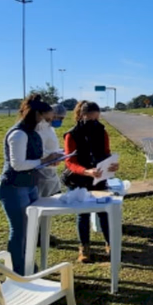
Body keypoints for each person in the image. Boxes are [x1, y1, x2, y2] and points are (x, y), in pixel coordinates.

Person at [0, 96, 64, 275]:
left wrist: (51, 160)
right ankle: (20, 272)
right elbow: (17, 164)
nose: (49, 123)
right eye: (47, 119)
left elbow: (34, 160)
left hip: (30, 185)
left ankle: (29, 268)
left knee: (31, 230)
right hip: (13, 186)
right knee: (20, 231)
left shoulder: (33, 133)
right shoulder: (18, 134)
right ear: (37, 115)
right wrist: (44, 160)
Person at [63, 100, 120, 263]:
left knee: (104, 211)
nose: (93, 122)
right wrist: (86, 171)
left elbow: (106, 153)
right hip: (79, 178)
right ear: (81, 116)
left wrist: (112, 164)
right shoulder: (71, 134)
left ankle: (110, 244)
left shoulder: (102, 132)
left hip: (99, 176)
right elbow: (70, 162)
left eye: (96, 119)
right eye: (90, 119)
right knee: (83, 214)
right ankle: (84, 247)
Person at [33, 100, 66, 197]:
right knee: (43, 201)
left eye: (61, 118)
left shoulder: (50, 128)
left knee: (54, 198)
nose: (59, 120)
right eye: (58, 118)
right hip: (42, 169)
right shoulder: (39, 128)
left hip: (51, 169)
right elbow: (38, 150)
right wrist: (52, 156)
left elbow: (51, 146)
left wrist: (61, 152)